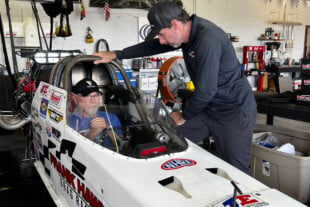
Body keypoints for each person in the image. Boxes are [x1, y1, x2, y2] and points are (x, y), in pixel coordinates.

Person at [92, 1, 256, 174]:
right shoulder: (186, 36)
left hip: (233, 112)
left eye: (162, 34)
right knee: (168, 139)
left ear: (175, 25)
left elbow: (207, 90)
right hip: (207, 109)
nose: (161, 40)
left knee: (236, 171)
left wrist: (186, 114)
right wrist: (117, 54)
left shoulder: (208, 38)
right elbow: (154, 45)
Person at [68, 78, 123, 148]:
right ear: (76, 99)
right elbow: (70, 152)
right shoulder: (70, 120)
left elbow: (122, 148)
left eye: (96, 96)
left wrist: (108, 129)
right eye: (87, 96)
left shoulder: (111, 118)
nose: (93, 101)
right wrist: (91, 135)